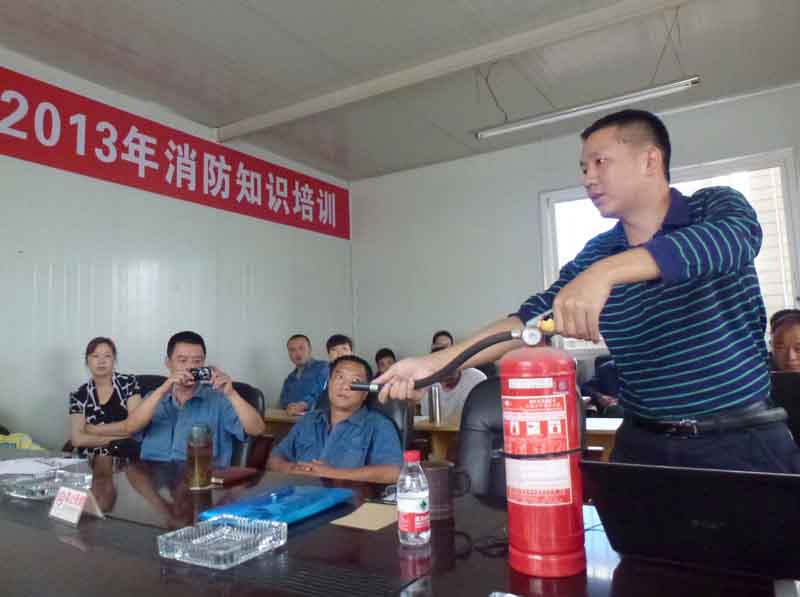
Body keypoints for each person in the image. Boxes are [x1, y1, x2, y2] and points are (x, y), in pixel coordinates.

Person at [377, 109, 798, 473]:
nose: (588, 178)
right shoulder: (596, 254)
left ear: (650, 160)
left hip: (741, 441)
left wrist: (607, 275)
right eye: (583, 168)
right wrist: (433, 365)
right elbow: (525, 323)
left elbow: (731, 240)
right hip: (643, 445)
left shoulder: (714, 207)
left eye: (600, 162)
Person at [124, 331, 265, 468]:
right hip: (153, 476)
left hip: (200, 476)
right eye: (182, 360)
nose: (190, 367)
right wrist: (162, 391)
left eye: (197, 361)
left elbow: (257, 429)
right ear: (168, 363)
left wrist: (232, 394)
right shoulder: (154, 398)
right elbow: (130, 428)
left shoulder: (220, 399)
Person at [268, 355, 402, 483]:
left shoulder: (379, 426)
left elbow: (392, 472)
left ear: (365, 393)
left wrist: (332, 473)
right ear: (329, 383)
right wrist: (293, 469)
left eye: (355, 381)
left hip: (350, 497)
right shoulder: (308, 420)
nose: (345, 386)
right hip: (299, 494)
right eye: (340, 377)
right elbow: (274, 459)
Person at [69, 337, 141, 460]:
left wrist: (94, 430)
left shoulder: (128, 383)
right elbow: (77, 439)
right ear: (87, 361)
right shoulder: (78, 395)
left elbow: (135, 426)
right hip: (90, 459)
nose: (101, 361)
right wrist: (117, 439)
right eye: (95, 356)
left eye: (107, 356)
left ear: (114, 360)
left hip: (125, 458)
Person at [421, 347, 487, 424]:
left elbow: (484, 415)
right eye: (441, 367)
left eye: (450, 365)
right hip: (435, 430)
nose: (446, 370)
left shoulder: (476, 378)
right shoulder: (427, 383)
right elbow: (427, 418)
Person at [279, 334, 329, 414]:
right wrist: (289, 405)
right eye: (292, 350)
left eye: (301, 348)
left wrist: (303, 405)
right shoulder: (290, 378)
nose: (298, 353)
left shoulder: (323, 367)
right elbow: (283, 400)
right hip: (291, 418)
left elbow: (320, 392)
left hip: (317, 418)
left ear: (310, 349)